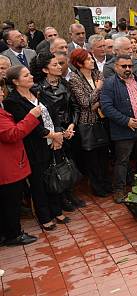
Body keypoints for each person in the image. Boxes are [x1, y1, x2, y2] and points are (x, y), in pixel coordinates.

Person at [4, 65, 67, 230]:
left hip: (53, 141)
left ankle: (56, 210)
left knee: (53, 175)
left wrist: (57, 134)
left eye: (30, 73)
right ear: (16, 81)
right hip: (34, 146)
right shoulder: (12, 101)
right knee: (38, 182)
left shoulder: (37, 91)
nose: (31, 76)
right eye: (26, 75)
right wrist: (51, 135)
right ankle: (44, 216)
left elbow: (53, 112)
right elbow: (26, 125)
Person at [31, 52, 83, 211]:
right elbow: (41, 116)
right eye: (55, 65)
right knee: (55, 166)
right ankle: (61, 198)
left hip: (69, 130)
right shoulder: (37, 89)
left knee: (69, 163)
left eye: (59, 64)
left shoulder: (65, 85)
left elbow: (75, 106)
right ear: (45, 70)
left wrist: (72, 125)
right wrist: (56, 133)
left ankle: (70, 194)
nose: (60, 67)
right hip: (52, 133)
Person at [100, 55, 137, 203]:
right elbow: (106, 107)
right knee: (122, 161)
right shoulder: (110, 83)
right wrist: (126, 121)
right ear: (116, 67)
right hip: (124, 129)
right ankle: (119, 190)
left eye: (129, 66)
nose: (127, 69)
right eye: (123, 66)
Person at [0, 84, 41, 245]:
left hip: (8, 163)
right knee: (10, 201)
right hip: (7, 165)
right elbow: (13, 134)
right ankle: (13, 234)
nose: (2, 93)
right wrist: (31, 116)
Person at [67, 49, 110, 197]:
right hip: (87, 123)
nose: (92, 61)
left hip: (103, 119)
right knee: (92, 157)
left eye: (92, 58)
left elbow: (106, 97)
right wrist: (97, 89)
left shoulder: (98, 74)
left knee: (104, 155)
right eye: (88, 59)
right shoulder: (74, 79)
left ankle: (106, 183)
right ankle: (97, 187)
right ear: (79, 63)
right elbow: (84, 103)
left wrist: (96, 103)